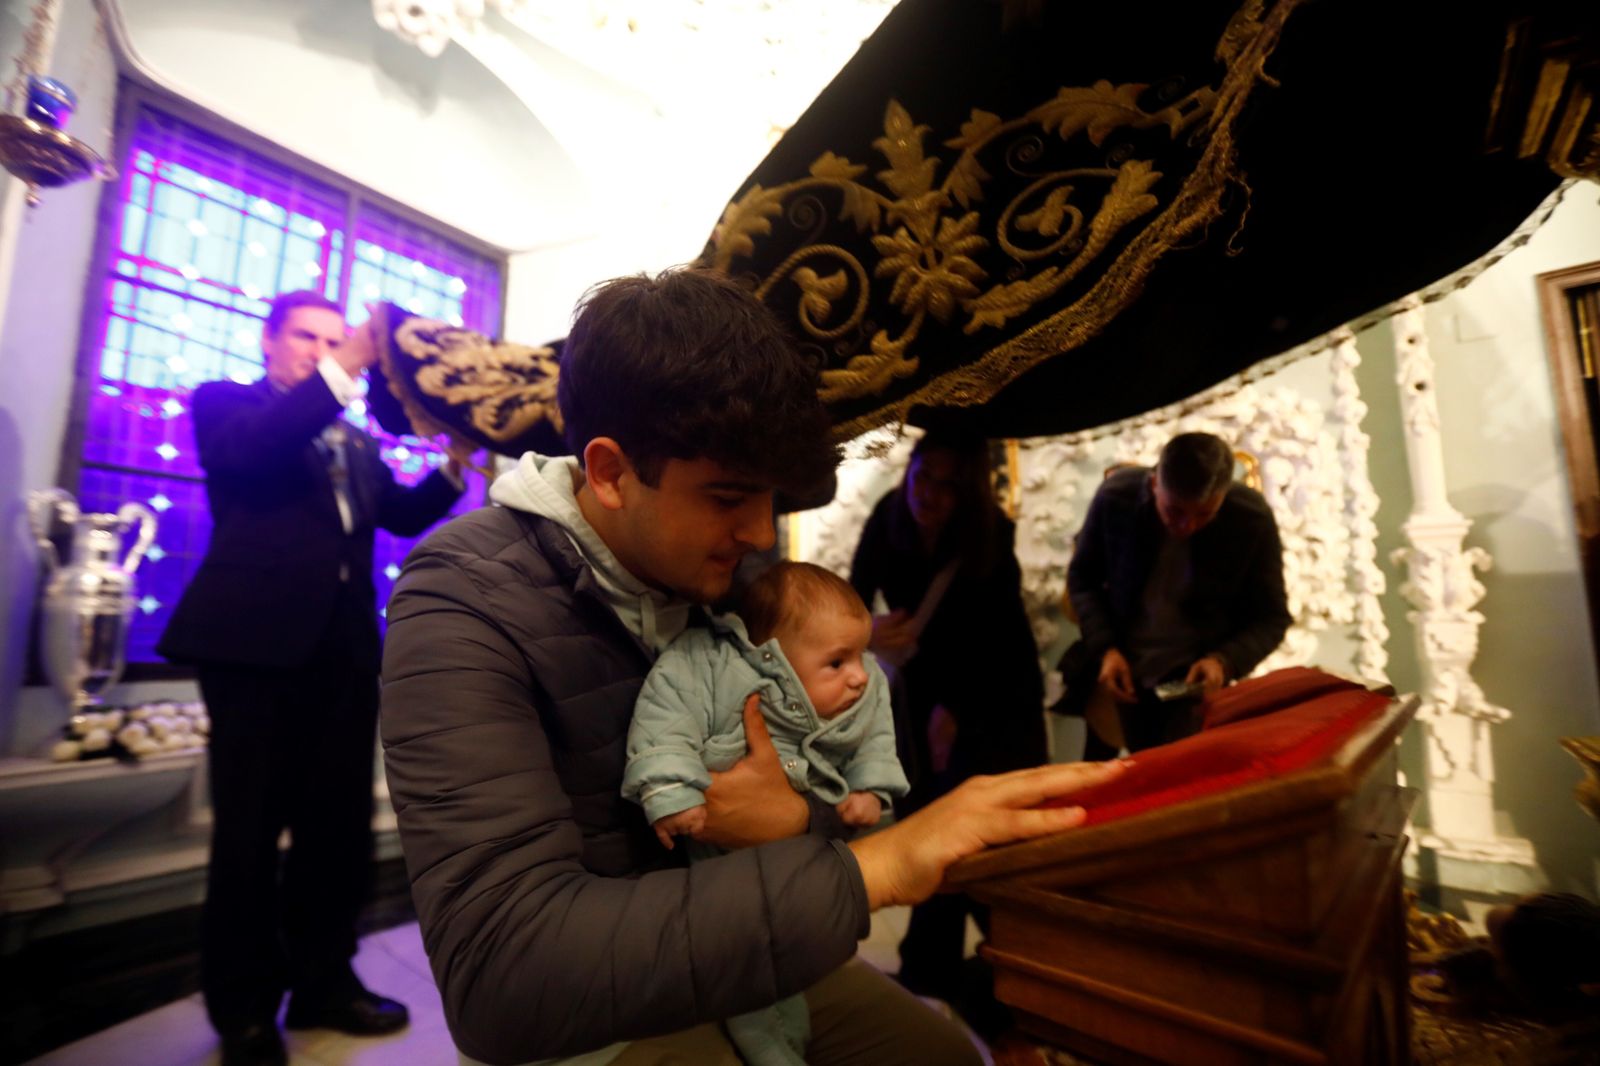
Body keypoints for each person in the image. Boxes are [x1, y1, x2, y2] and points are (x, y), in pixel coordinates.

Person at [379, 268, 1128, 1066]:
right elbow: (504, 979)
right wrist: (872, 868)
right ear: (609, 471)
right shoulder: (463, 598)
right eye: (728, 496)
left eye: (770, 497)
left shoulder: (722, 582)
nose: (759, 530)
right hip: (594, 1022)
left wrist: (801, 819)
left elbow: (788, 795)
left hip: (741, 950)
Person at [158, 290, 466, 1066]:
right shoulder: (227, 404)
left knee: (337, 835)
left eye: (334, 339)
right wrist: (351, 364)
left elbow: (397, 513)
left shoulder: (354, 444)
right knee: (249, 836)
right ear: (269, 342)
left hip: (343, 657)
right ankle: (244, 1011)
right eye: (305, 336)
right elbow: (252, 456)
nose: (322, 349)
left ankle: (326, 982)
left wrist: (454, 466)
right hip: (252, 653)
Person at [623, 560, 910, 1066]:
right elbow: (664, 722)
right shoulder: (707, 667)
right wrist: (670, 792)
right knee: (743, 956)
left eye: (862, 655)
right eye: (838, 662)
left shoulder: (864, 696)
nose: (861, 677)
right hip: (714, 852)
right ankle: (773, 1048)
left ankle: (786, 1028)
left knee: (790, 945)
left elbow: (878, 742)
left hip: (799, 857)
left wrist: (872, 788)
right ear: (772, 657)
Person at [849, 428, 1049, 1023]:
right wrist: (866, 630)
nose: (929, 494)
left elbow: (1002, 643)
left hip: (995, 704)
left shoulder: (990, 539)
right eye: (923, 476)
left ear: (969, 494)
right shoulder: (890, 516)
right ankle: (935, 978)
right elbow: (853, 598)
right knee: (935, 833)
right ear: (908, 470)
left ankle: (1023, 973)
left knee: (986, 845)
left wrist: (958, 712)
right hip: (924, 698)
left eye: (947, 485)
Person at [1059, 431, 1292, 756]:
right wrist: (1106, 648)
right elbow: (1082, 579)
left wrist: (1224, 662)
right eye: (1174, 511)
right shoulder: (1116, 497)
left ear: (1224, 497)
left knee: (1182, 787)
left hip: (1191, 687)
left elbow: (1272, 617)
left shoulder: (1251, 518)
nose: (1187, 526)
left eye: (1204, 515)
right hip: (1117, 670)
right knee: (1101, 784)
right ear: (1154, 484)